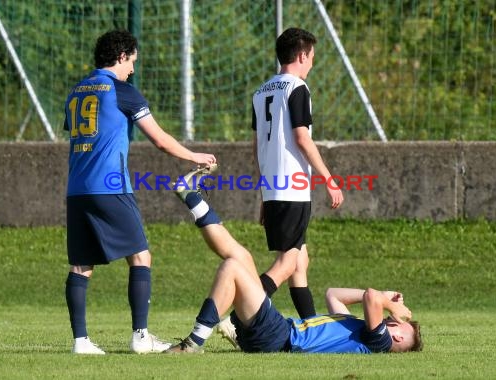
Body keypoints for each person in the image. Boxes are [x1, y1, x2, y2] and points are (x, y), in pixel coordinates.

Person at [63, 30, 217, 355]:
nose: (132, 69)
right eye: (131, 61)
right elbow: (159, 139)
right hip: (111, 187)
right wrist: (195, 156)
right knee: (140, 255)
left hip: (77, 188)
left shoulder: (77, 91)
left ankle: (80, 341)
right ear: (121, 57)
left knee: (81, 265)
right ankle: (141, 336)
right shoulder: (123, 92)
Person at [165, 176, 422, 354]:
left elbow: (371, 297)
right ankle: (192, 198)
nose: (392, 318)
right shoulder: (356, 328)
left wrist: (390, 303)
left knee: (233, 266)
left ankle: (194, 342)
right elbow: (333, 294)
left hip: (279, 337)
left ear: (397, 336)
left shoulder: (378, 342)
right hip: (275, 334)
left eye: (399, 323)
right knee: (242, 257)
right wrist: (386, 299)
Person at [251, 27, 344, 319]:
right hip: (292, 187)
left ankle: (311, 323)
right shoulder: (297, 88)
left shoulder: (260, 91)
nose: (313, 64)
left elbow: (259, 147)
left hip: (274, 187)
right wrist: (329, 180)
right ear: (302, 55)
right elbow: (302, 137)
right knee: (289, 261)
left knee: (300, 260)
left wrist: (264, 196)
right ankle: (238, 315)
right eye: (312, 57)